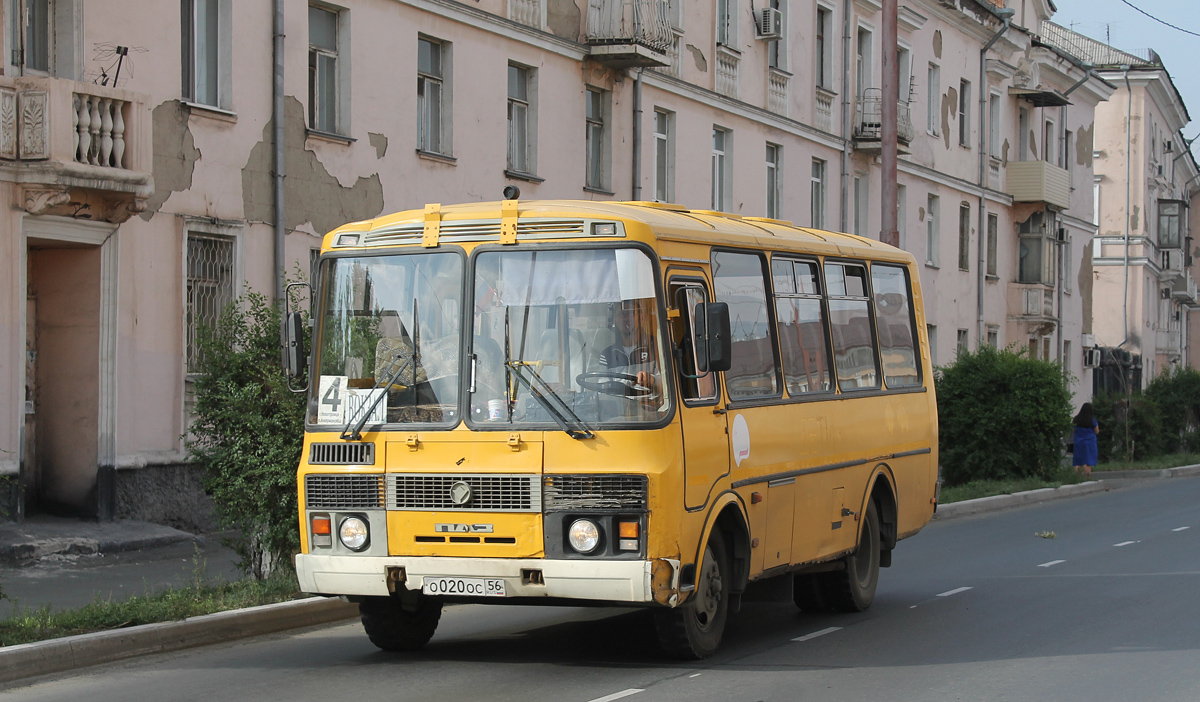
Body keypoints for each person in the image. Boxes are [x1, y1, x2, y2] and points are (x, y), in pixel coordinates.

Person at [597, 301, 659, 396]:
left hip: (651, 407)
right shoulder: (607, 355)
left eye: (631, 313)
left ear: (641, 317)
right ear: (615, 321)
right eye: (621, 315)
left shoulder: (656, 346)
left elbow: (669, 382)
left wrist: (652, 380)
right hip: (619, 407)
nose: (626, 318)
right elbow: (603, 390)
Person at [1072, 402, 1099, 479]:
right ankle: (1087, 478)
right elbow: (1097, 431)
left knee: (1078, 461)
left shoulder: (1076, 419)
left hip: (1078, 442)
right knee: (1088, 461)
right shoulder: (1092, 420)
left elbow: (1073, 430)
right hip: (1089, 442)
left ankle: (1076, 478)